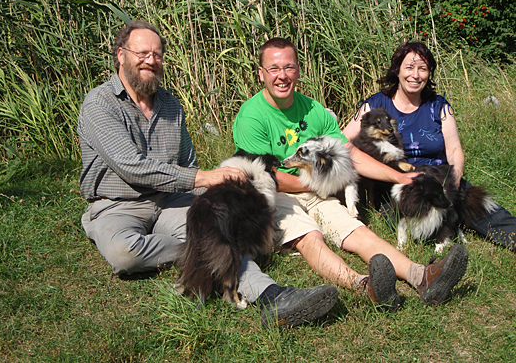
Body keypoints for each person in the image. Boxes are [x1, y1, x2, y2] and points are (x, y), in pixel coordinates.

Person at [77, 20, 339, 329]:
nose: (151, 60)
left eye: (158, 54)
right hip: (118, 202)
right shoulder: (100, 103)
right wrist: (203, 179)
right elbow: (130, 165)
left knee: (216, 231)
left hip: (170, 200)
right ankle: (205, 255)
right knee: (125, 255)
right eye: (142, 52)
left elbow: (187, 160)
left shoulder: (171, 105)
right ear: (121, 55)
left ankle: (274, 296)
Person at [233, 37, 469, 310]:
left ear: (298, 70)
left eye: (289, 67)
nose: (282, 76)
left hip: (316, 188)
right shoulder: (251, 116)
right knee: (311, 237)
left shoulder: (312, 108)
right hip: (279, 195)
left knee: (357, 231)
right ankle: (364, 285)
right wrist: (320, 185)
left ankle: (421, 276)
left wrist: (400, 177)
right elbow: (268, 176)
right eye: (274, 69)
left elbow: (352, 154)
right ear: (261, 73)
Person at [343, 41, 516, 253]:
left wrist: (455, 179)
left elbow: (454, 150)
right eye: (409, 67)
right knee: (412, 220)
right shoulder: (375, 105)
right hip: (397, 186)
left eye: (422, 69)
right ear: (397, 70)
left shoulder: (439, 106)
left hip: (439, 177)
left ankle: (457, 217)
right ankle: (446, 224)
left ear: (429, 73)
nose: (415, 75)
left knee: (489, 212)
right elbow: (343, 142)